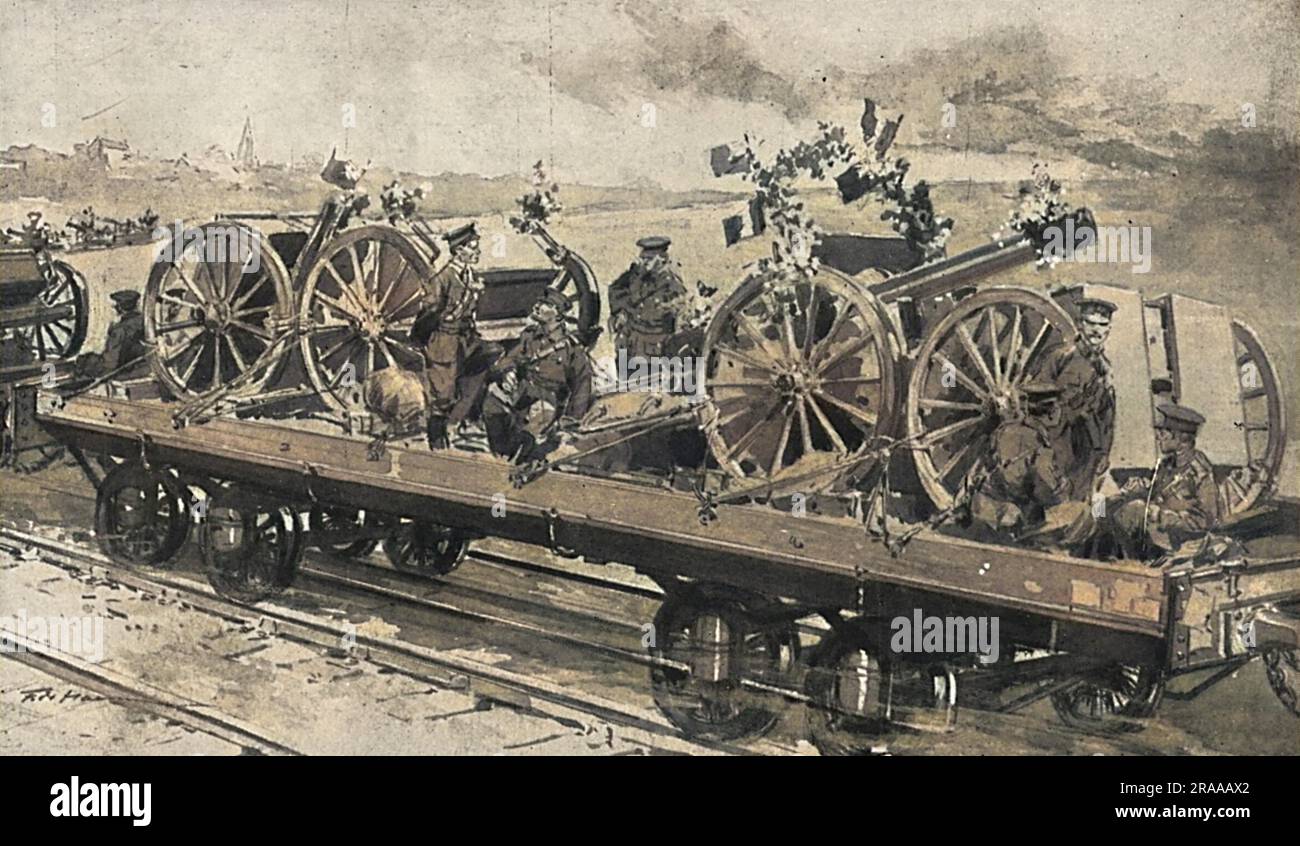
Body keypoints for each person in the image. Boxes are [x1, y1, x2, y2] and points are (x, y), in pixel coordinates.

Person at [964, 381, 1094, 550]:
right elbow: (1048, 493)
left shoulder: (1005, 430)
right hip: (1009, 518)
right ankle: (1035, 544)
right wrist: (1064, 487)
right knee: (1082, 513)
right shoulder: (1037, 443)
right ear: (1052, 412)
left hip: (982, 509)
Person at [412, 223, 500, 449]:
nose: (477, 251)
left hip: (465, 338)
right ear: (459, 250)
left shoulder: (470, 275)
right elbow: (429, 312)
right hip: (444, 340)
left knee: (490, 359)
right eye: (472, 247)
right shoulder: (444, 278)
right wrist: (421, 341)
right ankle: (437, 439)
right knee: (442, 393)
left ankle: (470, 421)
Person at [1098, 403, 1222, 559]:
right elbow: (1159, 494)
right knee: (1106, 505)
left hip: (1181, 543)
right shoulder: (1167, 464)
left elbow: (1204, 522)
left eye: (1164, 433)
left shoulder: (1201, 473)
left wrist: (1160, 515)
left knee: (1134, 510)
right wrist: (1142, 489)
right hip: (1157, 535)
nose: (1158, 437)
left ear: (1180, 439)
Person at [482, 288, 593, 463]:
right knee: (492, 403)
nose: (538, 306)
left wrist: (572, 420)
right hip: (523, 389)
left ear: (558, 315)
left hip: (546, 398)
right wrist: (508, 371)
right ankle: (500, 453)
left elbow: (582, 384)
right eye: (540, 302)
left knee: (535, 426)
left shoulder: (572, 349)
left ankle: (518, 459)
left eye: (546, 305)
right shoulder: (530, 337)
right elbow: (509, 358)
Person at [1030, 296, 1117, 501]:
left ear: (1109, 329)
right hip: (1056, 441)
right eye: (1091, 323)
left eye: (1103, 325)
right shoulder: (1061, 357)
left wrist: (1104, 452)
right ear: (1080, 324)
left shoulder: (1105, 369)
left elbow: (1108, 416)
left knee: (1078, 503)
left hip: (1086, 447)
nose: (1096, 330)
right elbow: (1036, 398)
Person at [607, 236, 689, 358]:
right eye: (642, 258)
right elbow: (614, 290)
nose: (644, 262)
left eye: (649, 259)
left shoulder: (672, 283)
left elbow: (659, 314)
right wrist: (619, 312)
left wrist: (629, 309)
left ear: (662, 258)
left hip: (656, 350)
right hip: (631, 345)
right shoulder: (636, 274)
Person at [75, 290, 148, 380]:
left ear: (120, 308)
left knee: (83, 360)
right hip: (135, 360)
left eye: (117, 305)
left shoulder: (119, 330)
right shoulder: (142, 321)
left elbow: (111, 362)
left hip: (122, 365)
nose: (115, 307)